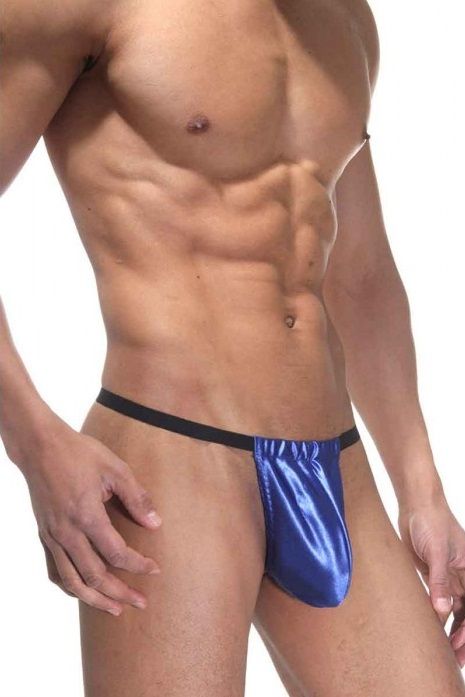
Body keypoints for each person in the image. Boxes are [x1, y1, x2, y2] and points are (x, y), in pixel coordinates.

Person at [1, 0, 465, 694]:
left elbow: (362, 277)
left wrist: (422, 488)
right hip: (169, 456)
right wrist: (35, 443)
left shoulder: (343, 17)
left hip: (334, 462)